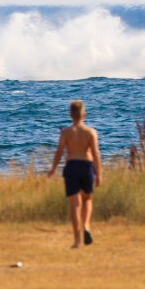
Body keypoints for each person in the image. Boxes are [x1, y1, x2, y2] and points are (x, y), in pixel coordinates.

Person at [47, 100, 103, 249]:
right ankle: (86, 226)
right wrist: (99, 174)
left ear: (70, 114)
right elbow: (96, 153)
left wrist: (53, 168)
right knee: (87, 199)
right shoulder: (90, 132)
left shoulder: (66, 132)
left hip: (72, 166)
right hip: (86, 166)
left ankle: (77, 240)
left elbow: (59, 152)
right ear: (84, 114)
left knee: (75, 204)